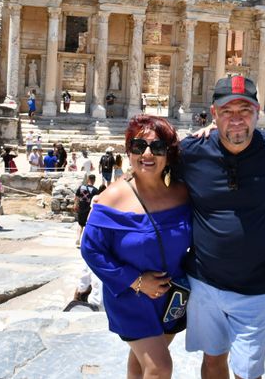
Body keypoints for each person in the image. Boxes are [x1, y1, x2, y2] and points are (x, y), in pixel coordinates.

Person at [178, 75, 265, 379]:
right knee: (212, 361)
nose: (236, 120)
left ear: (258, 112)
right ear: (213, 113)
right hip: (204, 283)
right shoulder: (190, 153)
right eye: (227, 112)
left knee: (248, 371)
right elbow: (149, 172)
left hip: (255, 289)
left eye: (244, 111)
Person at [81, 115, 191, 379]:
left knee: (141, 363)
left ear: (169, 153)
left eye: (158, 147)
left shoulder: (182, 193)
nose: (148, 154)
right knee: (159, 367)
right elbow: (91, 249)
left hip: (171, 296)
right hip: (131, 297)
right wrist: (137, 281)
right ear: (129, 152)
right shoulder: (112, 197)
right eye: (139, 147)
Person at [74, 174, 98, 246]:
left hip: (81, 207)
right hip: (89, 209)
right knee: (88, 225)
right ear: (94, 180)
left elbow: (76, 196)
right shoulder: (95, 190)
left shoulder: (81, 187)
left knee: (80, 224)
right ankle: (86, 241)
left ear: (88, 179)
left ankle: (78, 238)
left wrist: (75, 204)